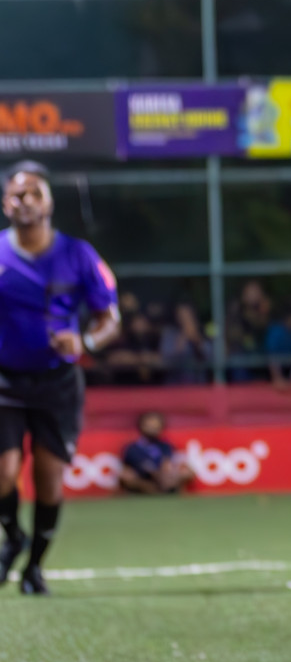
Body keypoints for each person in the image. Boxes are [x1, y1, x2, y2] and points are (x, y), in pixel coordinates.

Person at [0, 161, 121, 595]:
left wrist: (86, 343)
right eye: (16, 194)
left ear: (49, 202)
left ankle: (35, 566)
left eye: (34, 192)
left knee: (49, 477)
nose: (25, 200)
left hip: (57, 383)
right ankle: (14, 536)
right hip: (4, 382)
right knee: (4, 474)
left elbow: (110, 318)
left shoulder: (78, 254)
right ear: (4, 204)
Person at [118, 411, 195, 494]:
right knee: (126, 476)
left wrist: (165, 473)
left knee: (186, 471)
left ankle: (163, 489)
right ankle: (157, 490)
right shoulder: (132, 448)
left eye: (156, 425)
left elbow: (167, 463)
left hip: (162, 477)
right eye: (149, 425)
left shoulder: (165, 445)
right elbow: (140, 467)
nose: (153, 428)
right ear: (141, 426)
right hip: (143, 479)